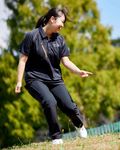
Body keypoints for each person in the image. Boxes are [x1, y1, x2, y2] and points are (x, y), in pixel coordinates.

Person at [15, 6, 92, 145]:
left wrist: (78, 71)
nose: (62, 26)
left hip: (55, 79)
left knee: (69, 106)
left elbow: (66, 61)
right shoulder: (32, 36)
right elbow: (22, 60)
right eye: (61, 22)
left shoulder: (59, 39)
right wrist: (19, 81)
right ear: (52, 19)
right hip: (35, 79)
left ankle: (79, 126)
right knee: (50, 102)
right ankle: (56, 137)